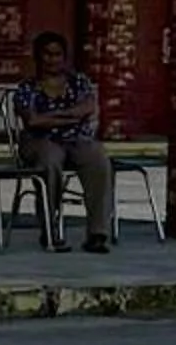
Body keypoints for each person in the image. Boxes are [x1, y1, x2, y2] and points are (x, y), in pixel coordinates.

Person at [10, 31, 114, 252]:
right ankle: (50, 229)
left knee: (98, 159)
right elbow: (34, 121)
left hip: (77, 139)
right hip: (40, 140)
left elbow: (87, 108)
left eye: (57, 54)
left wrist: (54, 117)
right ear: (38, 57)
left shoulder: (78, 82)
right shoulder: (26, 88)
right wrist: (71, 115)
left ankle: (97, 233)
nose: (52, 59)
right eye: (47, 54)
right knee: (49, 162)